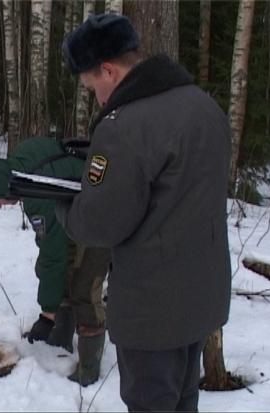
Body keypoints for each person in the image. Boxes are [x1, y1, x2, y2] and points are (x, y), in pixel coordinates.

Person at [57, 13, 232, 411]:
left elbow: (100, 224)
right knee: (183, 401)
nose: (98, 99)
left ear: (108, 70)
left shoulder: (123, 126)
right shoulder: (204, 106)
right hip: (200, 299)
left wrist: (63, 204)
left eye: (92, 87)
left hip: (153, 312)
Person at [0, 137, 110, 386]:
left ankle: (89, 368)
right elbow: (52, 246)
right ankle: (62, 336)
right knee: (59, 268)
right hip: (80, 207)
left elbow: (53, 256)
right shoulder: (22, 158)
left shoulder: (36, 194)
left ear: (4, 188)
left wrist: (47, 314)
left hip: (103, 211)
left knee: (85, 287)